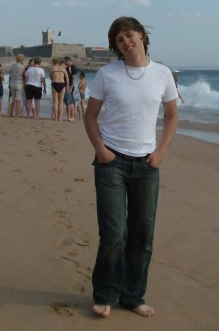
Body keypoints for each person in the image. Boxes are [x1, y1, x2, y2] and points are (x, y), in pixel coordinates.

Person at [84, 16, 179, 318]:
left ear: (141, 35)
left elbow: (172, 116)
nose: (126, 42)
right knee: (113, 233)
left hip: (147, 165)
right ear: (116, 46)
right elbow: (90, 116)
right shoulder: (107, 74)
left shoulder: (162, 73)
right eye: (119, 40)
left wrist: (161, 152)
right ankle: (105, 295)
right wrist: (101, 151)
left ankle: (133, 296)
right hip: (111, 162)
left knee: (142, 235)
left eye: (129, 35)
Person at [64, 56, 78, 121]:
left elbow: (73, 78)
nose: (65, 63)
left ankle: (70, 116)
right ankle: (71, 116)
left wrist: (71, 87)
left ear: (68, 60)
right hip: (69, 86)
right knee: (71, 102)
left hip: (70, 86)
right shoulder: (68, 67)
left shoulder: (73, 68)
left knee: (69, 102)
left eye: (65, 61)